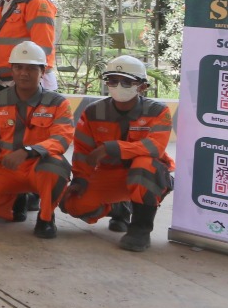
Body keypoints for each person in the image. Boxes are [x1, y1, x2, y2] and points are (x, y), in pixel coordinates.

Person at [61, 55, 174, 252]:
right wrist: (79, 179)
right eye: (113, 80)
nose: (118, 86)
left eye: (126, 81)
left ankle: (140, 229)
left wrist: (112, 148)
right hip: (111, 174)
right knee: (72, 205)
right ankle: (118, 207)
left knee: (143, 165)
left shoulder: (157, 111)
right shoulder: (93, 112)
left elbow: (155, 147)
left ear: (142, 86)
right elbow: (82, 151)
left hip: (144, 175)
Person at [0, 40, 74, 239]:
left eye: (31, 68)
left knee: (56, 169)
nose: (24, 73)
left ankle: (46, 218)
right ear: (12, 71)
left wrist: (28, 151)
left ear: (42, 71)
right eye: (19, 67)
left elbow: (61, 138)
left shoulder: (58, 103)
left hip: (40, 166)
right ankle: (16, 198)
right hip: (7, 167)